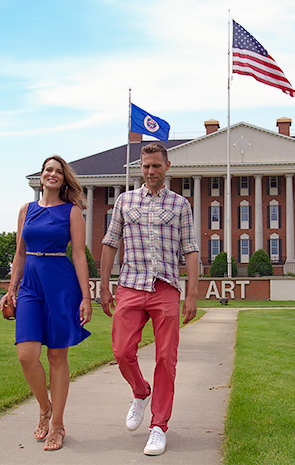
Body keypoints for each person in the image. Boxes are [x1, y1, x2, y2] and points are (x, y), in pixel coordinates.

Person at [100, 142, 199, 456]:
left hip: (165, 286)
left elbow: (191, 250)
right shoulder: (124, 201)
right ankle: (140, 392)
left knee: (166, 358)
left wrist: (192, 294)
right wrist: (104, 286)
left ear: (167, 167)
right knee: (121, 350)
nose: (151, 171)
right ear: (139, 169)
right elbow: (110, 242)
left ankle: (158, 426)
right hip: (130, 284)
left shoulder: (180, 204)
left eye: (156, 165)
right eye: (146, 166)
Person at [0, 155, 92, 451]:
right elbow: (20, 254)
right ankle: (44, 407)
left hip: (61, 285)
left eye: (58, 171)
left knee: (56, 357)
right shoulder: (26, 210)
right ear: (41, 177)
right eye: (48, 170)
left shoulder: (72, 211)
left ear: (64, 179)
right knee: (26, 354)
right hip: (29, 287)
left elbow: (78, 254)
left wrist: (86, 296)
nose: (53, 174)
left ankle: (58, 425)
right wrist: (11, 289)